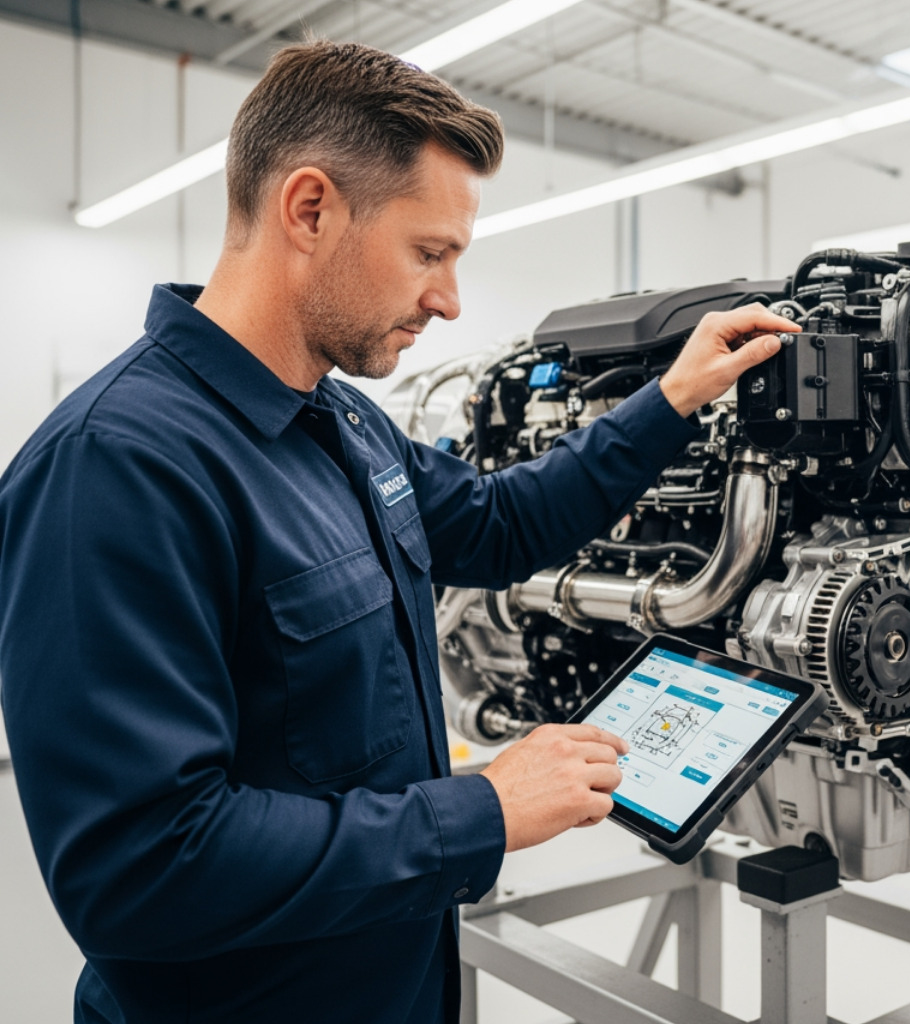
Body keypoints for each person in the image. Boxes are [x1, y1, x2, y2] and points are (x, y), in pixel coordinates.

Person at [0, 39, 796, 1024]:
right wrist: (482, 810)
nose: (449, 300)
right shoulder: (116, 468)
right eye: (430, 252)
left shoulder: (344, 423)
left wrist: (671, 400)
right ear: (309, 209)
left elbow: (500, 525)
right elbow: (142, 868)